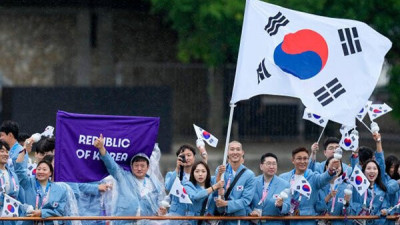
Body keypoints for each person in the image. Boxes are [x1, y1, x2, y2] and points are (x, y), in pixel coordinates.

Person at [93, 133, 164, 225]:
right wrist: (101, 148)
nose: (139, 168)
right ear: (131, 166)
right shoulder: (123, 177)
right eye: (136, 165)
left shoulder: (155, 184)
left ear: (148, 167)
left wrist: (161, 211)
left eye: (142, 166)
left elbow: (159, 207)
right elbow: (112, 165)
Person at [279, 147, 339, 225]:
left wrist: (330, 170)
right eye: (299, 159)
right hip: (288, 220)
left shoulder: (314, 177)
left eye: (305, 159)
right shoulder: (284, 177)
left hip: (307, 220)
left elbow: (323, 178)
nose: (302, 161)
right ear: (293, 160)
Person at [15, 153, 68, 225]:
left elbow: (59, 211)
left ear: (50, 173)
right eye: (38, 169)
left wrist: (42, 213)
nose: (41, 172)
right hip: (29, 222)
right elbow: (19, 172)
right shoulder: (28, 183)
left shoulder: (60, 190)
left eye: (44, 169)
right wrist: (22, 152)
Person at [211, 141, 256, 225]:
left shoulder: (249, 175)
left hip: (240, 221)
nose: (235, 152)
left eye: (238, 149)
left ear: (242, 152)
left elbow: (246, 200)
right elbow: (216, 192)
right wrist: (218, 177)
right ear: (227, 152)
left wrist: (227, 203)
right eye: (232, 149)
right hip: (223, 220)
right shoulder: (220, 170)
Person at [249, 153, 290, 225]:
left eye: (274, 164)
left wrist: (281, 205)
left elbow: (288, 207)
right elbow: (245, 202)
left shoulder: (284, 184)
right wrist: (250, 212)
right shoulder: (252, 182)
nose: (271, 167)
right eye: (268, 164)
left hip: (275, 222)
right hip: (255, 223)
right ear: (261, 166)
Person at [316, 157, 352, 225]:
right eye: (333, 165)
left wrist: (346, 203)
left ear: (341, 168)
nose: (335, 168)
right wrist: (329, 197)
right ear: (327, 167)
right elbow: (317, 208)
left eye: (338, 166)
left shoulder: (347, 187)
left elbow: (346, 214)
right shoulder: (320, 184)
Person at [352, 160, 388, 225]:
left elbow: (385, 207)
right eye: (368, 168)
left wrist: (385, 211)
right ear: (363, 171)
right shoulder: (358, 187)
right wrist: (355, 154)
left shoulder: (382, 190)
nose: (372, 171)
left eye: (375, 168)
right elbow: (355, 169)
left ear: (378, 172)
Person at [164, 144, 197, 216]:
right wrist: (178, 168)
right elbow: (168, 187)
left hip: (192, 215)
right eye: (183, 156)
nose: (186, 158)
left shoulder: (198, 176)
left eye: (189, 155)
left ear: (194, 157)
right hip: (176, 215)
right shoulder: (171, 174)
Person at [0, 139, 20, 225]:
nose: (5, 154)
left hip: (9, 215)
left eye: (7, 151)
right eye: (2, 151)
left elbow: (17, 196)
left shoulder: (13, 175)